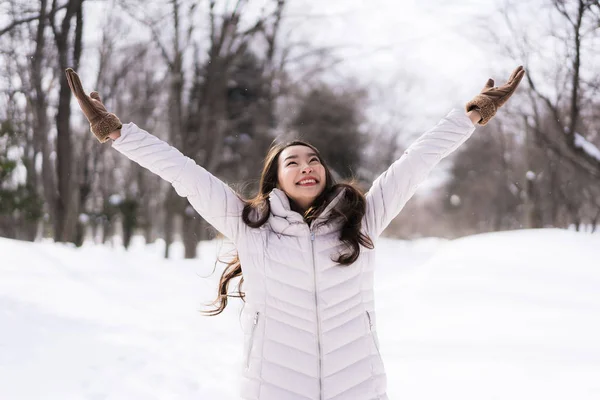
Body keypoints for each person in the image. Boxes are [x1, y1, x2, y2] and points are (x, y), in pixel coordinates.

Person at [65, 65, 525, 400]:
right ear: (276, 178)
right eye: (293, 162)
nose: (307, 167)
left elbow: (417, 163)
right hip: (273, 387)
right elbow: (183, 173)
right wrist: (119, 133)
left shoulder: (361, 218)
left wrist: (469, 116)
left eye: (313, 161)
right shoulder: (248, 227)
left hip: (358, 385)